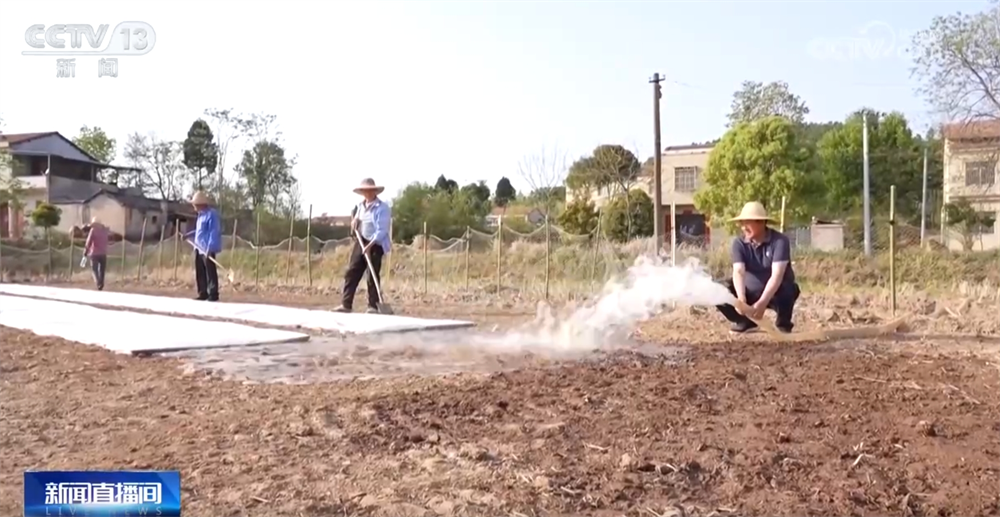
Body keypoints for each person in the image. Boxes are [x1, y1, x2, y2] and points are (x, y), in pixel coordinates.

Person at [715, 201, 801, 334]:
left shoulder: (779, 241)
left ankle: (783, 324)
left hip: (775, 294)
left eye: (747, 223)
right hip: (749, 292)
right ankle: (745, 322)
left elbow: (777, 275)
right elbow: (738, 271)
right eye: (742, 223)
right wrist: (741, 299)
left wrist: (762, 302)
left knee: (788, 288)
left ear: (761, 223)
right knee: (719, 289)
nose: (743, 227)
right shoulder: (739, 243)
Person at [333, 178, 392, 313]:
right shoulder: (360, 206)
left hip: (376, 244)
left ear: (375, 191)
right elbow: (358, 220)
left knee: (372, 274)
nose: (367, 193)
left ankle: (373, 306)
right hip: (361, 241)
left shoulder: (382, 208)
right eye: (365, 191)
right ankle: (346, 304)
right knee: (352, 271)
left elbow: (382, 231)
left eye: (370, 190)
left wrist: (370, 245)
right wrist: (354, 222)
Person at [184, 191, 223, 301]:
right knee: (200, 271)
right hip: (198, 247)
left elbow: (213, 231)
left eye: (195, 204)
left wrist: (210, 247)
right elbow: (199, 231)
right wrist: (188, 235)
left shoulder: (211, 214)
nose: (193, 206)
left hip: (206, 248)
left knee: (210, 271)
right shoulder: (200, 216)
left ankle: (213, 294)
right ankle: (203, 292)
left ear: (200, 204)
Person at [84, 216, 109, 291]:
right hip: (103, 253)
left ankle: (98, 282)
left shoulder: (93, 230)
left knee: (94, 269)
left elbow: (89, 241)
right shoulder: (104, 231)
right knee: (102, 270)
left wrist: (85, 251)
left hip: (94, 253)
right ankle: (101, 282)